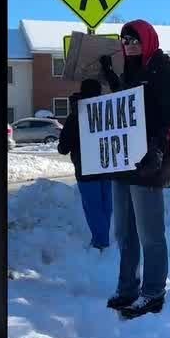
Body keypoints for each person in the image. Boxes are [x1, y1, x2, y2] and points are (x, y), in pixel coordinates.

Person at [98, 20, 170, 319]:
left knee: (150, 233)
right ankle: (127, 288)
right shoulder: (130, 71)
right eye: (125, 40)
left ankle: (153, 292)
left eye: (135, 40)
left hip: (150, 161)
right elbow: (125, 107)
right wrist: (111, 77)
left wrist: (158, 148)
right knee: (124, 232)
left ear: (148, 40)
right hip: (124, 160)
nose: (130, 45)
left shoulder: (164, 69)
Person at [57, 79, 113, 250]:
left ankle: (101, 243)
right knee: (106, 207)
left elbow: (63, 148)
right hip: (107, 167)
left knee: (93, 208)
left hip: (86, 170)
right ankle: (103, 241)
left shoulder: (75, 116)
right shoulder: (107, 112)